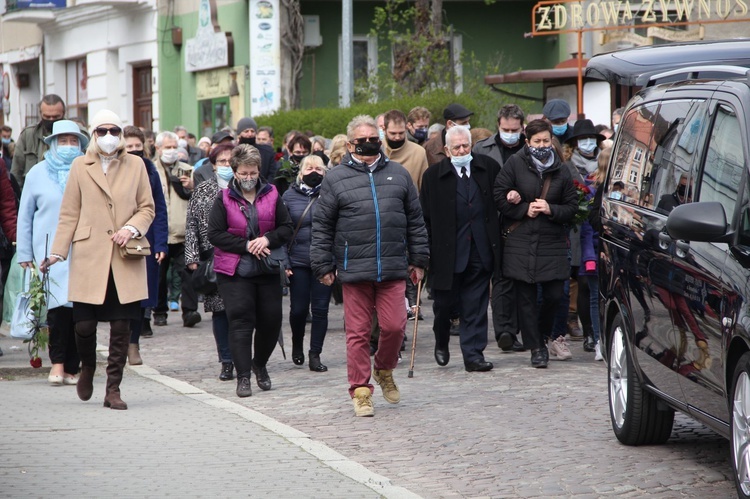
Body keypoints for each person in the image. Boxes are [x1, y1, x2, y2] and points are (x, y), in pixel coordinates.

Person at [310, 115, 429, 417]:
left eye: (373, 139)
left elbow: (415, 221)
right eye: (361, 140)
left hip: (392, 266)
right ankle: (361, 390)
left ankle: (385, 369)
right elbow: (322, 225)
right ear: (349, 144)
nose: (368, 144)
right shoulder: (335, 178)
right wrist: (323, 265)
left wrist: (418, 260)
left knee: (394, 326)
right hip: (354, 269)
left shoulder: (399, 174)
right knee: (358, 333)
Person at [42, 109, 155, 410]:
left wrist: (131, 228)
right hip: (89, 254)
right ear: (93, 134)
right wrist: (57, 252)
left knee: (121, 327)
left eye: (114, 131)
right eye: (102, 131)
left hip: (124, 256)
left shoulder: (137, 166)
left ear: (121, 134)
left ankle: (113, 389)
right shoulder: (81, 165)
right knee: (84, 325)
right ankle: (88, 367)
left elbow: (147, 208)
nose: (109, 137)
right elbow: (69, 214)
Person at [207, 144, 293, 398]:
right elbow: (215, 234)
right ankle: (243, 377)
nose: (248, 178)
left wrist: (267, 240)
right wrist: (246, 245)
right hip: (234, 271)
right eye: (243, 173)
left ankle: (260, 364)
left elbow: (286, 228)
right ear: (234, 172)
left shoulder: (273, 194)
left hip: (267, 268)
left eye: (252, 172)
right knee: (242, 322)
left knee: (271, 321)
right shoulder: (223, 198)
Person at [494, 119, 577, 368]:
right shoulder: (515, 163)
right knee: (526, 299)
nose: (542, 145)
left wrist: (551, 208)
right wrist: (521, 207)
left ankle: (541, 333)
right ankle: (537, 348)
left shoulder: (561, 169)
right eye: (537, 141)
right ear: (527, 142)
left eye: (546, 141)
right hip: (521, 242)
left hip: (551, 242)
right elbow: (499, 194)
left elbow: (572, 207)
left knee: (554, 295)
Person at [420, 125, 501, 372]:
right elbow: (425, 217)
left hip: (479, 248)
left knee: (475, 305)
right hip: (446, 253)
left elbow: (499, 199)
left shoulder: (487, 168)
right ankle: (441, 340)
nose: (462, 150)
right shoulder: (433, 176)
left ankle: (473, 355)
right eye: (457, 147)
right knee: (444, 305)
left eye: (466, 145)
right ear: (446, 149)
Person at [17, 122, 84, 384]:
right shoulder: (37, 173)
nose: (68, 146)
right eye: (63, 140)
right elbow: (25, 215)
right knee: (56, 309)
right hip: (49, 251)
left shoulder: (87, 170)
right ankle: (57, 364)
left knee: (81, 311)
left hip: (82, 249)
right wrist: (24, 252)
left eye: (73, 141)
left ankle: (73, 367)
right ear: (52, 143)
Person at [186, 143, 236, 381]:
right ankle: (226, 361)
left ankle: (243, 357)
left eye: (230, 161)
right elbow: (192, 224)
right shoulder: (203, 189)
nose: (226, 165)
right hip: (212, 257)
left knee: (240, 310)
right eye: (222, 161)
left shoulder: (244, 187)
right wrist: (192, 256)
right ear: (213, 165)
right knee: (219, 311)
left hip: (240, 254)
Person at [123, 126, 168, 363]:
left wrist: (161, 243)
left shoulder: (151, 171)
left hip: (145, 239)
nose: (133, 151)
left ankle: (133, 344)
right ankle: (119, 342)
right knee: (121, 293)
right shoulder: (114, 169)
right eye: (129, 147)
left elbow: (159, 208)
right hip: (118, 238)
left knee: (142, 293)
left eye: (137, 147)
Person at [282, 154, 332, 372]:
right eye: (309, 168)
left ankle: (315, 354)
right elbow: (281, 231)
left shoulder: (331, 195)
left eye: (319, 169)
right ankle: (297, 343)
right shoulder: (288, 196)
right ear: (300, 172)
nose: (314, 172)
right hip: (298, 261)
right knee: (299, 310)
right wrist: (284, 260)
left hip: (323, 261)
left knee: (321, 310)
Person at [152, 131, 201, 328]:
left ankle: (189, 311)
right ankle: (159, 311)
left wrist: (192, 186)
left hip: (184, 232)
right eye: (167, 147)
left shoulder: (187, 169)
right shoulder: (151, 169)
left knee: (188, 274)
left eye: (174, 147)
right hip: (161, 233)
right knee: (159, 276)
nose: (171, 151)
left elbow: (198, 198)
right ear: (158, 148)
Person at [11, 94, 68, 187]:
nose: (51, 120)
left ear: (64, 113)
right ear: (40, 113)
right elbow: (16, 172)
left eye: (56, 117)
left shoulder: (76, 135)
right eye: (47, 116)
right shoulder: (28, 135)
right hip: (34, 194)